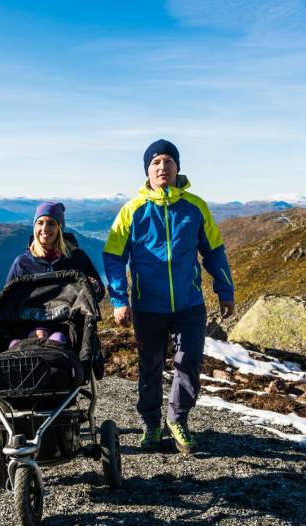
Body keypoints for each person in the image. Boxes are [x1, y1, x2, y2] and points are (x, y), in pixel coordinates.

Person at [103, 140, 235, 454]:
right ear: (148, 170)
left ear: (177, 166)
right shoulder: (132, 210)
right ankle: (151, 425)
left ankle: (177, 419)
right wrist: (119, 300)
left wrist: (225, 290)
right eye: (156, 162)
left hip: (189, 304)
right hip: (148, 305)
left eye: (168, 161)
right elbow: (113, 256)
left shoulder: (195, 206)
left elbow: (214, 252)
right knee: (149, 367)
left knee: (188, 363)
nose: (162, 167)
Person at [7, 201, 105, 301]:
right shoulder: (22, 262)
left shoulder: (78, 258)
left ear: (60, 228)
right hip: (32, 317)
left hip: (73, 316)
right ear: (34, 227)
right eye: (40, 223)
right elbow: (7, 300)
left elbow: (99, 292)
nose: (44, 228)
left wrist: (94, 287)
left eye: (51, 223)